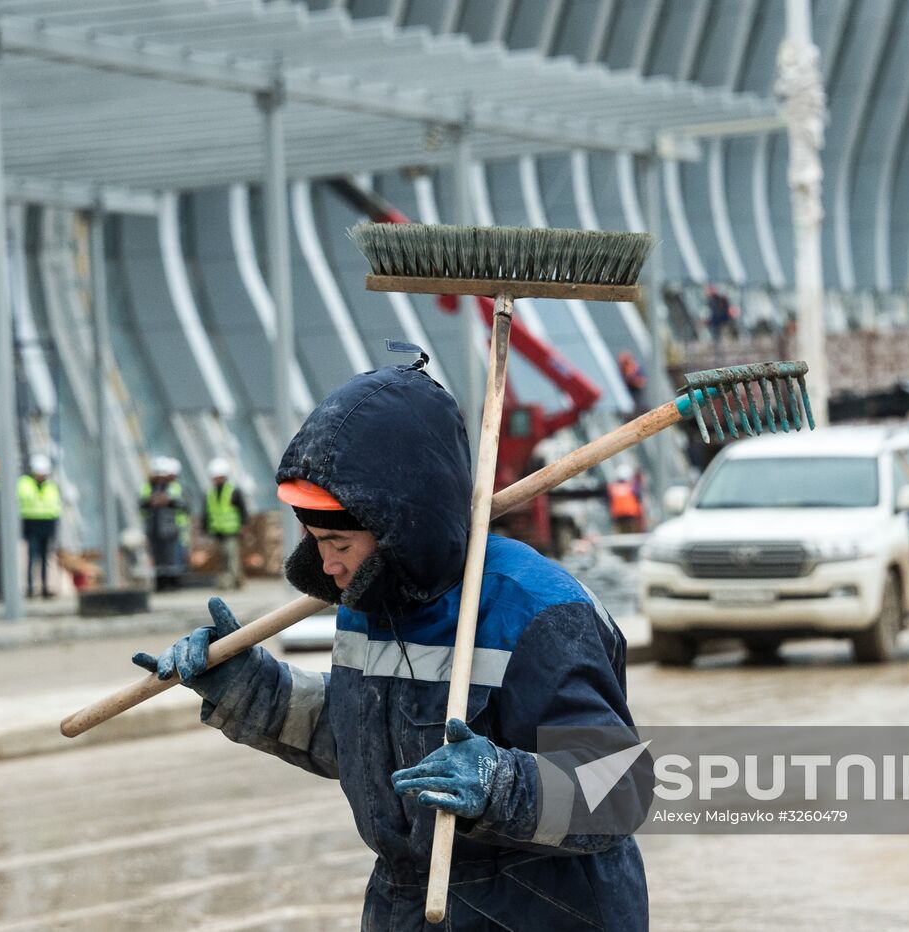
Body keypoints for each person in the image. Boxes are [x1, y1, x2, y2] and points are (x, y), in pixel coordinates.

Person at [134, 357, 649, 929]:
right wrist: (249, 688)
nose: (326, 565)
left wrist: (503, 785)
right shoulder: (371, 596)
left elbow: (619, 792)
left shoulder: (535, 611)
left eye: (338, 542)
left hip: (540, 910)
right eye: (313, 539)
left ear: (406, 527)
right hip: (408, 906)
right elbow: (364, 740)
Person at [17, 453, 62, 599]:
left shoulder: (51, 486)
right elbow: (24, 499)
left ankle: (45, 587)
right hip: (31, 523)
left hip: (47, 524)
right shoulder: (24, 483)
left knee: (45, 558)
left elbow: (55, 506)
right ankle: (30, 588)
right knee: (31, 557)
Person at [141, 457, 188, 592]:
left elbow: (184, 504)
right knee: (158, 558)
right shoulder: (148, 488)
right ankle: (161, 584)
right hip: (154, 528)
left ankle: (173, 583)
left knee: (171, 557)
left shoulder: (174, 487)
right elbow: (141, 503)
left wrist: (168, 501)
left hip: (171, 529)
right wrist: (150, 501)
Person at [202, 458, 247, 590]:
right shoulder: (210, 493)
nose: (217, 480)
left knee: (231, 557)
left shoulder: (233, 491)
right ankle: (228, 581)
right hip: (217, 531)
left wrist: (243, 526)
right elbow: (206, 512)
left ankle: (233, 581)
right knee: (221, 558)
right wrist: (205, 528)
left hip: (232, 531)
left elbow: (242, 510)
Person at [607, 466, 644, 534]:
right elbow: (638, 500)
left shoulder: (613, 487)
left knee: (622, 537)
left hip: (618, 519)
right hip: (632, 518)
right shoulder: (632, 486)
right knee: (634, 536)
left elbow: (609, 501)